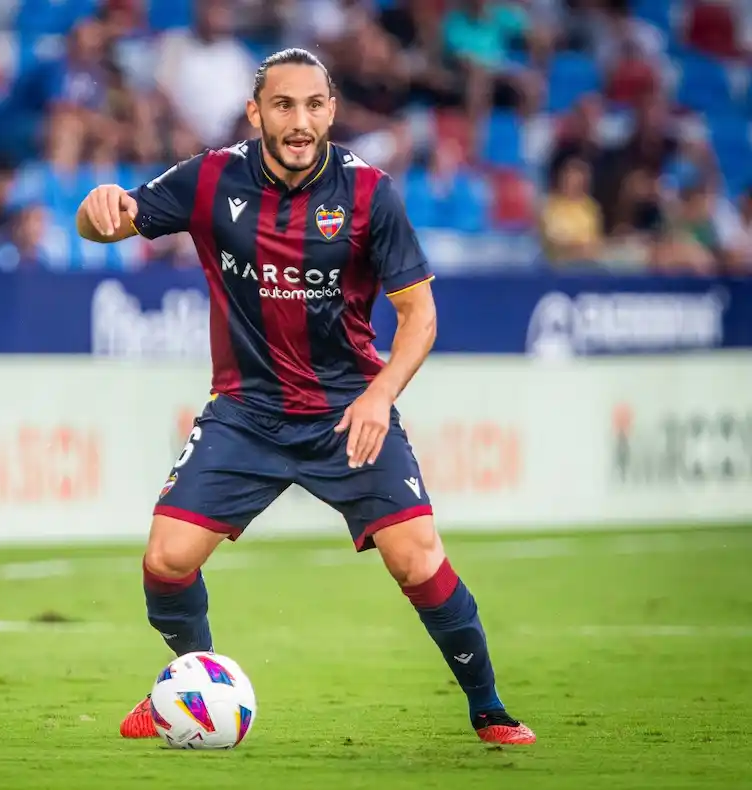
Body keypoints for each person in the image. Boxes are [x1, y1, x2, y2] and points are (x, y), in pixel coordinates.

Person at [75, 48, 535, 747]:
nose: (299, 120)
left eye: (313, 105)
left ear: (331, 111)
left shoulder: (370, 193)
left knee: (416, 557)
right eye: (283, 105)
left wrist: (381, 396)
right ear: (256, 112)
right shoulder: (209, 179)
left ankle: (489, 707)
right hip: (245, 412)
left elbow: (421, 317)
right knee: (166, 561)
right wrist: (96, 209)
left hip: (348, 410)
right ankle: (192, 692)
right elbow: (110, 220)